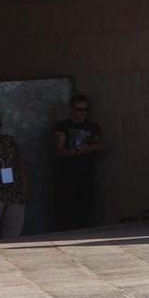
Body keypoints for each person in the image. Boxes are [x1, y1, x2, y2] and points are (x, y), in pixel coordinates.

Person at [50, 94, 104, 231]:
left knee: (84, 210)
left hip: (87, 175)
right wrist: (76, 152)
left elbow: (100, 145)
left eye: (85, 109)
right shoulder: (63, 126)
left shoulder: (92, 126)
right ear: (72, 110)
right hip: (67, 176)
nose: (82, 113)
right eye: (78, 109)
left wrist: (87, 149)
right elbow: (58, 150)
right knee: (66, 212)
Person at [0, 110, 26, 243]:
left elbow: (20, 164)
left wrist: (24, 190)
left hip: (14, 192)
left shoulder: (9, 141)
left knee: (13, 233)